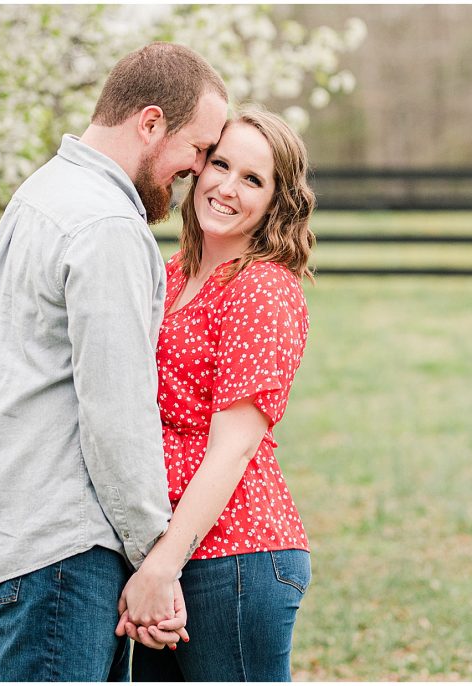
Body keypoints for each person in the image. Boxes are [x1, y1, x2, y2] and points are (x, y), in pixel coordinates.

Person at [0, 42, 228, 681]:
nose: (197, 170)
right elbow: (116, 411)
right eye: (197, 148)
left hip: (21, 524)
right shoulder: (106, 224)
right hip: (66, 543)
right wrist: (155, 557)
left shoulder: (44, 192)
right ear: (152, 122)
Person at [115, 106, 317, 682]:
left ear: (278, 201)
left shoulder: (262, 289)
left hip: (234, 558)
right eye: (220, 164)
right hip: (169, 552)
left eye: (252, 179)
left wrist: (163, 564)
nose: (227, 187)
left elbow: (233, 448)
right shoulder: (173, 273)